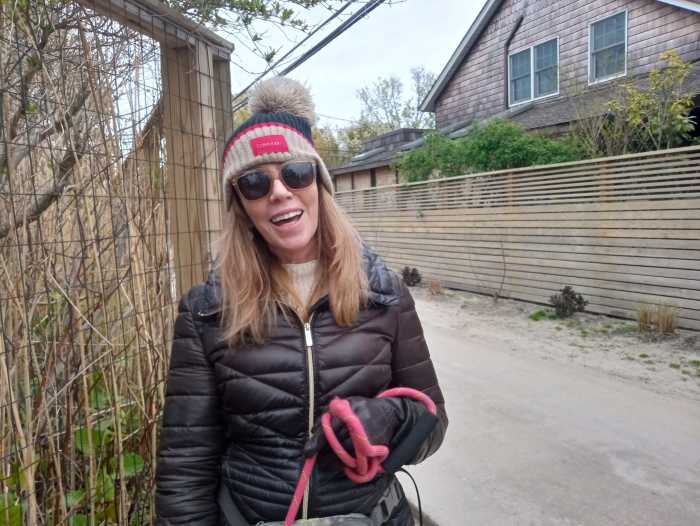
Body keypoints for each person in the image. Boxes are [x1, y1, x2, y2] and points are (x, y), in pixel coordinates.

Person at [155, 77, 448, 525]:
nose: (278, 191)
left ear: (319, 184)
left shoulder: (385, 294)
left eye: (295, 172)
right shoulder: (206, 312)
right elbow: (185, 463)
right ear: (241, 206)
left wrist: (390, 417)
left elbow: (433, 423)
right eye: (255, 182)